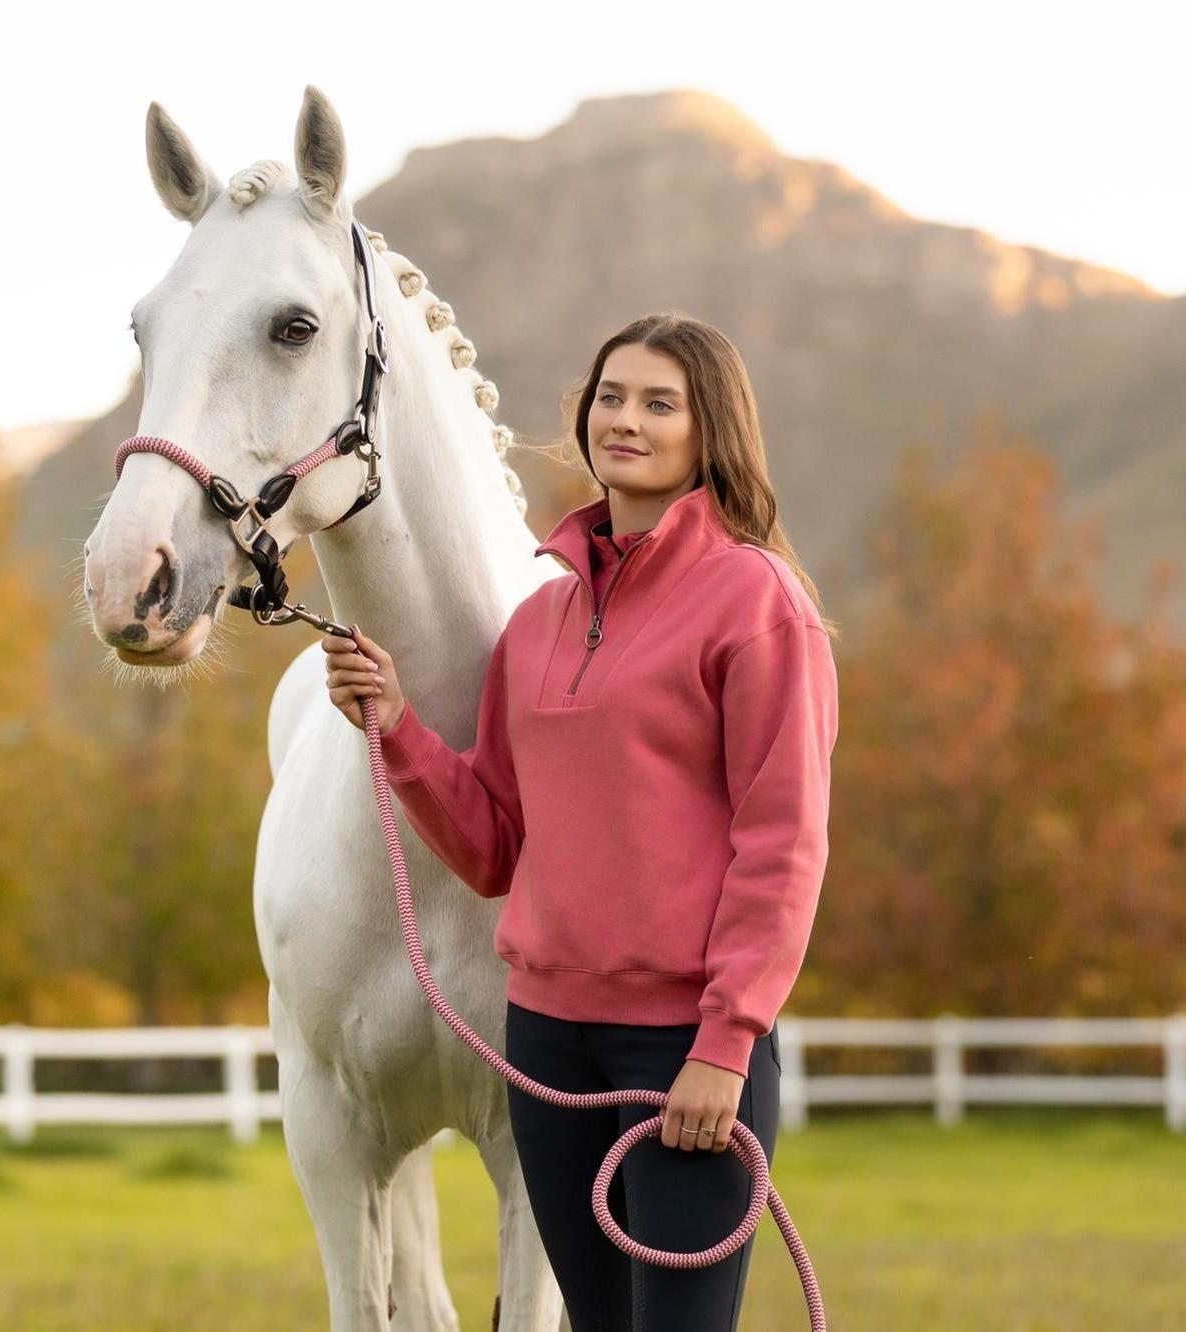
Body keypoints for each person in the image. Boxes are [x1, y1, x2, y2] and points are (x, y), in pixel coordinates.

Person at [323, 311, 839, 1331]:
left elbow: (781, 846)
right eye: (610, 397)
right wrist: (395, 728)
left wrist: (724, 1044)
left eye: (659, 403)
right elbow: (494, 846)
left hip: (683, 1050)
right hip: (547, 1047)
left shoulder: (755, 602)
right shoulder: (537, 623)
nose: (626, 421)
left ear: (710, 431)